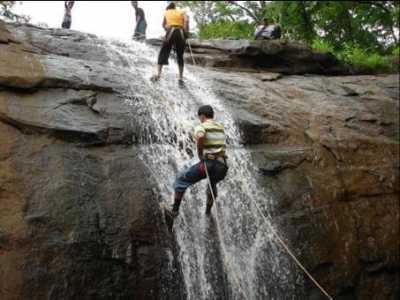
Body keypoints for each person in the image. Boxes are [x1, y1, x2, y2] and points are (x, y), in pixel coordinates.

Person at [165, 105, 229, 231]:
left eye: (200, 117)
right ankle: (208, 211)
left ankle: (174, 211)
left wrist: (200, 153)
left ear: (202, 116)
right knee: (212, 183)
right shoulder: (220, 127)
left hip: (208, 165)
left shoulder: (202, 126)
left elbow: (200, 136)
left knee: (180, 181)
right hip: (222, 166)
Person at [150, 2, 189, 85]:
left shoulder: (166, 12)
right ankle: (180, 78)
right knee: (180, 55)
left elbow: (163, 25)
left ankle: (158, 74)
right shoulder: (182, 12)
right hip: (181, 32)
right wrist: (185, 31)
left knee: (163, 52)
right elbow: (186, 20)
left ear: (168, 8)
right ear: (175, 8)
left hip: (171, 31)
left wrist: (166, 30)